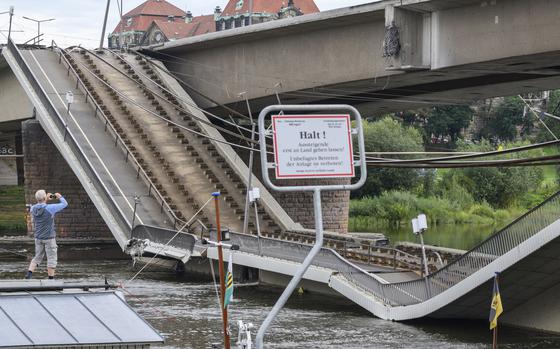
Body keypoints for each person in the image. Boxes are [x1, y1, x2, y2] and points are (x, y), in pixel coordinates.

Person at [25, 190, 68, 280]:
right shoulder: (50, 208)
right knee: (51, 258)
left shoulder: (33, 208)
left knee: (38, 256)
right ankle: (50, 279)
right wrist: (59, 196)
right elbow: (64, 204)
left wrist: (45, 200)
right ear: (44, 198)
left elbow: (41, 206)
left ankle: (29, 274)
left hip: (38, 238)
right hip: (49, 238)